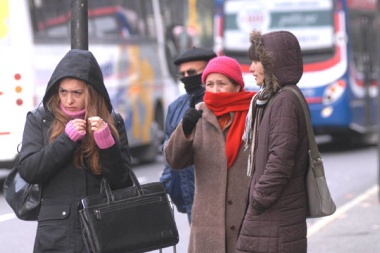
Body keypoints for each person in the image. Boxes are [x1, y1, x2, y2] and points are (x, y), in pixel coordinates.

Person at [17, 49, 133, 253]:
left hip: (103, 228)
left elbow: (123, 184)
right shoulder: (40, 119)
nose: (68, 100)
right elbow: (29, 170)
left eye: (77, 93)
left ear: (92, 92)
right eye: (63, 92)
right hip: (56, 234)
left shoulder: (111, 121)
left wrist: (107, 145)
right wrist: (66, 140)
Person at [164, 56, 256, 253]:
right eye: (210, 84)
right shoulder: (199, 113)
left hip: (246, 219)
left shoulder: (254, 114)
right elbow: (173, 160)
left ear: (237, 86)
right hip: (207, 226)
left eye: (221, 84)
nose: (214, 90)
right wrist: (185, 129)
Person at [235, 30, 309, 253]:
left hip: (274, 216)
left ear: (273, 62)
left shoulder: (284, 101)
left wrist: (258, 199)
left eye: (256, 61)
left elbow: (280, 160)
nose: (251, 68)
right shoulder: (276, 98)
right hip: (274, 216)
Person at [160, 47, 216, 223]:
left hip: (219, 200)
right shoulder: (175, 107)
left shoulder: (218, 102)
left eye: (191, 72)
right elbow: (168, 151)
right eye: (182, 74)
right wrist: (170, 186)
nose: (186, 78)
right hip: (191, 201)